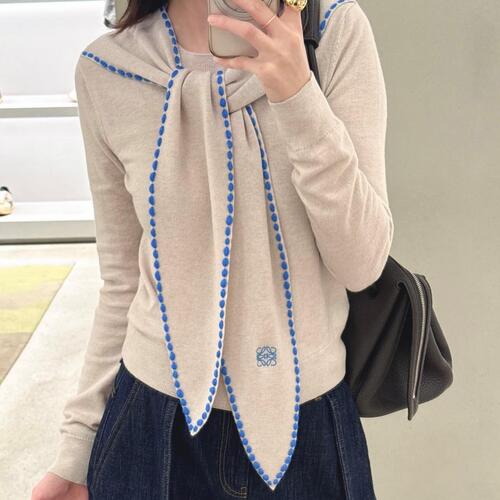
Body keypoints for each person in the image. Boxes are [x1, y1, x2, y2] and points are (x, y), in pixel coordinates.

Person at [32, 0, 393, 497]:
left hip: (307, 429)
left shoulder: (331, 32)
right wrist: (76, 450)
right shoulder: (108, 68)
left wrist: (297, 95)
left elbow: (362, 263)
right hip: (149, 428)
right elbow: (123, 282)